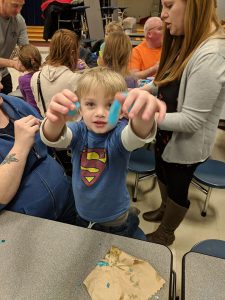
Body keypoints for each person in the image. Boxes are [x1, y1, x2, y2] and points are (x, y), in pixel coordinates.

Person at [135, 0, 225, 246]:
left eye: (169, 5)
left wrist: (142, 118)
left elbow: (192, 120)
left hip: (185, 143)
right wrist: (142, 90)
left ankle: (167, 231)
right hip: (165, 135)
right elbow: (166, 80)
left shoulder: (212, 54)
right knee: (161, 171)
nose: (162, 15)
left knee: (177, 187)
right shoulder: (186, 39)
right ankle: (164, 209)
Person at [40, 67, 166, 238]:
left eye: (110, 105)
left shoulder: (117, 135)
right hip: (82, 212)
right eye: (91, 104)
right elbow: (54, 138)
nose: (100, 113)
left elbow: (136, 135)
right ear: (80, 109)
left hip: (114, 220)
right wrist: (55, 119)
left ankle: (131, 217)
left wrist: (144, 117)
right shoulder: (79, 131)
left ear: (122, 111)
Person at [0, 90, 76, 224]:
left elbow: (47, 138)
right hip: (32, 224)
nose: (1, 85)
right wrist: (20, 146)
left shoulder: (11, 103)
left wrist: (55, 122)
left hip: (67, 196)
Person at [31, 29, 82, 116]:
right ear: (72, 53)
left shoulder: (35, 77)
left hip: (47, 125)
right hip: (72, 127)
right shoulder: (76, 79)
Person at [0, 0, 28, 94]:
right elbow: (12, 63)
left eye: (21, 6)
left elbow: (26, 48)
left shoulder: (19, 20)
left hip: (3, 73)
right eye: (15, 5)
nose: (18, 10)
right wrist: (12, 63)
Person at [18, 44, 42, 112]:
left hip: (32, 113)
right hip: (45, 111)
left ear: (21, 63)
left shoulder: (22, 79)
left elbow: (25, 98)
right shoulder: (43, 75)